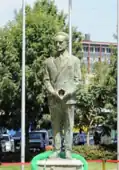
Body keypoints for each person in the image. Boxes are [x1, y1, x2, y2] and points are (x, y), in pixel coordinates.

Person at [43, 32, 82, 159]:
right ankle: (56, 149)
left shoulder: (74, 60)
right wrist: (53, 92)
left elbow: (78, 80)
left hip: (68, 99)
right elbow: (46, 80)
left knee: (69, 125)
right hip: (54, 99)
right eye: (56, 42)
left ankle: (68, 150)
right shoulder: (48, 62)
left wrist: (69, 92)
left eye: (61, 42)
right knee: (55, 125)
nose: (58, 45)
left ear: (67, 43)